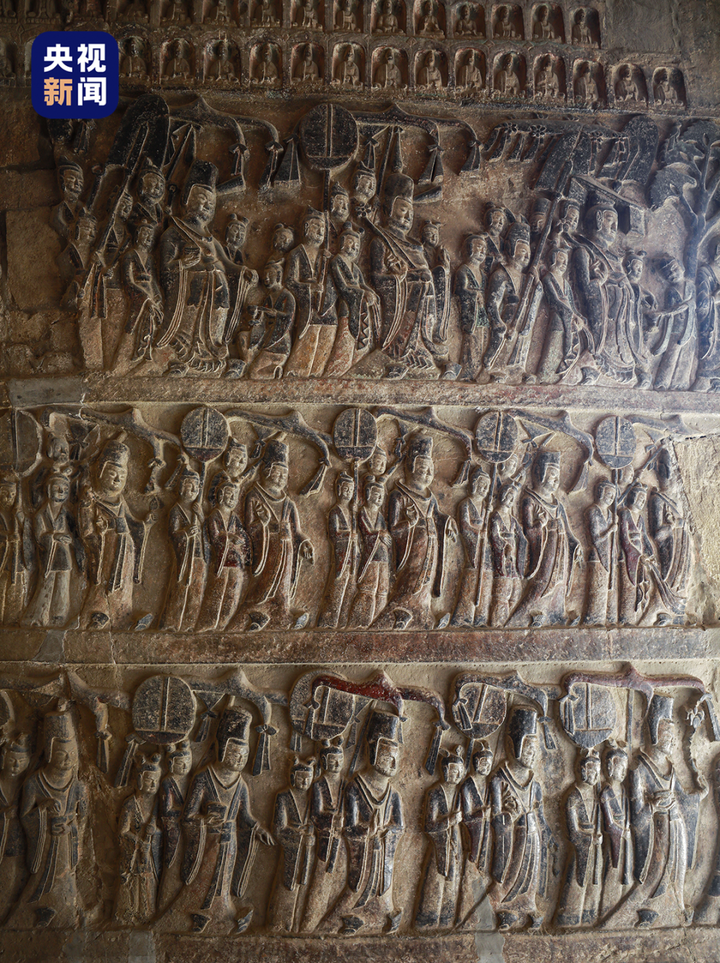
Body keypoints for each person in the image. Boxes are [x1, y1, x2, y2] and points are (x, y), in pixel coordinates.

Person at [162, 707, 274, 934]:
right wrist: (204, 821)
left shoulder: (241, 784)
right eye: (235, 753)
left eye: (244, 755)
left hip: (229, 841)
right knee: (202, 881)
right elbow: (187, 816)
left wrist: (258, 828)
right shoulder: (203, 777)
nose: (240, 759)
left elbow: (245, 817)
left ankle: (218, 916)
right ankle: (192, 914)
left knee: (223, 884)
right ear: (222, 750)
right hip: (206, 843)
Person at [605, 695, 707, 929]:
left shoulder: (670, 767)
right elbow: (636, 815)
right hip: (656, 834)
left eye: (673, 736)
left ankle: (676, 906)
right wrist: (653, 806)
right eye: (668, 735)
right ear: (655, 734)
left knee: (676, 873)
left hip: (676, 827)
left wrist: (700, 795)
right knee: (654, 876)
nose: (672, 741)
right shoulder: (638, 769)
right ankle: (638, 912)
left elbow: (681, 797)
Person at [156, 161, 241, 374]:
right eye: (201, 200)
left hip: (217, 291)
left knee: (215, 326)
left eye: (210, 204)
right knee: (189, 328)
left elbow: (228, 264)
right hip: (191, 291)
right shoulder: (174, 233)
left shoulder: (211, 239)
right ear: (187, 199)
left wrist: (244, 272)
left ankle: (213, 353)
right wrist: (182, 263)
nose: (205, 206)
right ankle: (181, 359)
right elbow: (165, 267)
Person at [326, 710, 404, 935]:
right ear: (373, 754)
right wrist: (366, 830)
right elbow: (349, 827)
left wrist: (388, 832)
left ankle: (380, 917)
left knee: (383, 890)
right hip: (363, 853)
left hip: (383, 853)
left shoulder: (393, 793)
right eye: (387, 757)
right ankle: (341, 918)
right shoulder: (355, 787)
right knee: (356, 889)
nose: (393, 763)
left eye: (396, 758)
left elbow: (400, 826)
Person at [10, 706, 88, 929]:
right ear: (50, 752)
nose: (68, 759)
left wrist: (71, 826)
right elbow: (24, 816)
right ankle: (39, 910)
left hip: (66, 843)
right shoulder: (34, 783)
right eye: (62, 754)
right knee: (39, 882)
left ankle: (67, 911)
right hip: (44, 845)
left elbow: (83, 818)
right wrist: (43, 811)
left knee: (67, 882)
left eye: (72, 753)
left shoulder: (78, 786)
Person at [372, 434, 456, 630]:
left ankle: (422, 615)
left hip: (430, 546)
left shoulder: (430, 497)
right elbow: (393, 528)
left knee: (426, 581)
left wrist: (448, 523)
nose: (428, 474)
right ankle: (397, 614)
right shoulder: (398, 495)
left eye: (430, 470)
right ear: (410, 468)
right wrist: (409, 523)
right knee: (410, 582)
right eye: (423, 469)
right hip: (410, 550)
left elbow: (437, 516)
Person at [78, 437, 153, 630]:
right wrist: (97, 527)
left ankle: (123, 617)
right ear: (100, 472)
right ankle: (99, 614)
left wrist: (145, 525)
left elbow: (131, 521)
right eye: (112, 473)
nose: (118, 479)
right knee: (105, 581)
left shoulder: (120, 501)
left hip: (125, 546)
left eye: (122, 475)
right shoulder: (93, 500)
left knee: (124, 584)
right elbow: (86, 529)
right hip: (106, 546)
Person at [369, 172, 440, 376]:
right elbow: (376, 279)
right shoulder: (380, 241)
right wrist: (400, 277)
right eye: (403, 209)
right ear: (389, 209)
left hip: (423, 306)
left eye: (411, 211)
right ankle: (400, 351)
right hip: (399, 308)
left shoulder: (416, 246)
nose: (408, 216)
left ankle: (421, 346)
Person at [489, 707, 554, 930]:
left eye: (535, 750)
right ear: (514, 747)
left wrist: (547, 833)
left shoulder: (534, 783)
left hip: (533, 836)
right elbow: (495, 816)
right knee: (512, 875)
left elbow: (540, 814)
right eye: (528, 750)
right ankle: (503, 906)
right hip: (511, 838)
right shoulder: (499, 779)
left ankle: (527, 904)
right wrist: (509, 815)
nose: (533, 755)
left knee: (531, 873)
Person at [241, 439, 314, 630]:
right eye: (278, 472)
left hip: (287, 548)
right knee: (264, 585)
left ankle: (281, 615)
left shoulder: (288, 502)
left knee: (283, 585)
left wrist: (304, 542)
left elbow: (297, 531)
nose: (282, 477)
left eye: (285, 473)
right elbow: (249, 527)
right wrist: (262, 523)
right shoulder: (254, 495)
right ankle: (253, 613)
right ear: (267, 470)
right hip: (266, 547)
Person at [507, 449, 582, 627]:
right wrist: (540, 525)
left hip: (561, 548)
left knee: (560, 581)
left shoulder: (557, 504)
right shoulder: (530, 500)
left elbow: (568, 530)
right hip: (545, 547)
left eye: (557, 477)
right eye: (552, 475)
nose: (556, 481)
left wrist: (575, 543)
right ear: (540, 473)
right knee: (544, 581)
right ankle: (525, 615)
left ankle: (556, 614)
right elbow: (528, 530)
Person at [415, 747, 465, 930]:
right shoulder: (435, 792)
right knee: (435, 882)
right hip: (439, 846)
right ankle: (428, 919)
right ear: (444, 770)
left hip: (455, 844)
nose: (455, 775)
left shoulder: (459, 792)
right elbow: (429, 825)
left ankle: (446, 919)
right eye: (452, 770)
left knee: (452, 882)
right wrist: (450, 820)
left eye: (458, 772)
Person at [24, 470, 82, 628]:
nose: (62, 491)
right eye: (58, 488)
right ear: (49, 490)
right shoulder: (41, 514)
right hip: (48, 556)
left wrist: (69, 539)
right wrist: (54, 537)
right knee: (46, 585)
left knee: (62, 586)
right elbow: (38, 537)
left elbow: (75, 534)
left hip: (64, 555)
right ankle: (41, 615)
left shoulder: (67, 514)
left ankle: (59, 616)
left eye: (65, 489)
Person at [284, 208, 336, 378]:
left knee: (327, 337)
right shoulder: (296, 253)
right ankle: (297, 373)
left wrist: (330, 263)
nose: (321, 232)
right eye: (316, 226)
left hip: (326, 304)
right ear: (306, 228)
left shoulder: (325, 257)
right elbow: (289, 281)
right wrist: (309, 288)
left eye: (323, 228)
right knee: (309, 339)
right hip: (308, 304)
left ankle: (317, 373)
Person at [554, 750, 604, 928]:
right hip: (582, 847)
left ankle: (589, 914)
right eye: (592, 771)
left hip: (596, 848)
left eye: (598, 771)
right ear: (582, 771)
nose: (595, 775)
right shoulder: (573, 797)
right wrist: (591, 838)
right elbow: (573, 832)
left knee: (594, 882)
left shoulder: (596, 795)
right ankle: (569, 916)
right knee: (576, 881)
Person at [323, 225, 380, 377]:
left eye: (357, 244)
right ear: (342, 243)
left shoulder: (355, 267)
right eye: (350, 242)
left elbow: (362, 284)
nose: (354, 246)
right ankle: (336, 373)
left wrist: (371, 293)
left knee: (359, 341)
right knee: (345, 340)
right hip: (347, 306)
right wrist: (362, 293)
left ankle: (353, 368)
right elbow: (342, 287)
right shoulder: (337, 261)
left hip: (360, 307)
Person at [301, 740, 346, 933]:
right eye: (332, 760)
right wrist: (331, 819)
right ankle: (309, 924)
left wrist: (344, 821)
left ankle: (330, 922)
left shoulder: (345, 785)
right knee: (319, 883)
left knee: (337, 882)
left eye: (340, 760)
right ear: (324, 761)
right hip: (324, 842)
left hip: (342, 842)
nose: (337, 764)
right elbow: (314, 815)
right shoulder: (318, 785)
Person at [196, 478, 251, 632]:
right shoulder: (215, 515)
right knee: (217, 592)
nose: (232, 498)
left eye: (235, 495)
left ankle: (224, 625)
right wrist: (228, 537)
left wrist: (241, 540)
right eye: (229, 494)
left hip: (235, 560)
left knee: (232, 593)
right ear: (220, 496)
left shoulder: (234, 517)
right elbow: (214, 537)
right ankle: (209, 624)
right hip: (221, 560)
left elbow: (242, 534)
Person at [268, 758, 316, 932]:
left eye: (308, 778)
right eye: (300, 778)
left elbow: (316, 822)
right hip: (291, 849)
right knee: (285, 885)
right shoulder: (284, 796)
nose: (304, 782)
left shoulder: (313, 797)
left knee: (304, 886)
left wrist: (311, 833)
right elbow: (278, 829)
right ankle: (278, 923)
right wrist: (297, 834)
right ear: (292, 777)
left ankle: (297, 924)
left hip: (307, 850)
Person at [114, 754, 163, 926]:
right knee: (133, 883)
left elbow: (166, 828)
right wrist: (138, 841)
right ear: (140, 780)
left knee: (149, 883)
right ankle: (128, 912)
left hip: (150, 854)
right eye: (149, 780)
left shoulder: (158, 803)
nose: (153, 784)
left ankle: (146, 912)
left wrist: (155, 832)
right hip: (134, 854)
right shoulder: (130, 804)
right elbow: (122, 831)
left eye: (156, 780)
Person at [159, 467, 206, 632]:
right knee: (180, 588)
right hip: (184, 556)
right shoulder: (176, 510)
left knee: (196, 590)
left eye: (196, 487)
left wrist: (201, 516)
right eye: (189, 485)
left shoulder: (196, 510)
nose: (193, 490)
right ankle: (172, 623)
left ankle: (189, 623)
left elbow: (206, 533)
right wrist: (185, 533)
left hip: (198, 556)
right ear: (180, 487)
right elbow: (172, 534)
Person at [456, 743, 495, 931]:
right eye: (483, 762)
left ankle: (482, 915)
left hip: (486, 836)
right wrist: (481, 814)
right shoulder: (467, 785)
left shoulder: (488, 785)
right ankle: (465, 915)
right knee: (471, 875)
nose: (486, 767)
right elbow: (465, 816)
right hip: (472, 837)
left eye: (489, 763)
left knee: (484, 876)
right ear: (475, 762)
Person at [346, 476, 391, 628]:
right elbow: (366, 533)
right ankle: (361, 620)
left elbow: (386, 535)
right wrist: (380, 535)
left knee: (383, 589)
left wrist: (384, 536)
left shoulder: (380, 516)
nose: (379, 498)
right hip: (371, 555)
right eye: (376, 494)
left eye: (381, 495)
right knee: (368, 588)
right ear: (368, 495)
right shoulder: (363, 513)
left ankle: (378, 620)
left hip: (383, 556)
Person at [450, 467, 492, 628]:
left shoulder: (486, 506)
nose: (484, 489)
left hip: (485, 546)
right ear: (474, 484)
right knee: (472, 576)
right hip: (473, 545)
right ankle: (464, 616)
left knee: (486, 577)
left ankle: (481, 616)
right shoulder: (465, 504)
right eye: (482, 484)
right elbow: (464, 527)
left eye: (487, 486)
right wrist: (478, 532)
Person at [317, 473, 356, 629]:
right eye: (346, 489)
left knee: (350, 590)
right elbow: (333, 534)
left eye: (351, 490)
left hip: (352, 557)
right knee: (336, 590)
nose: (348, 492)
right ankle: (329, 621)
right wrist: (349, 535)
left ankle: (343, 621)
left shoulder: (352, 512)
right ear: (338, 489)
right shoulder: (335, 511)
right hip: (341, 556)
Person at [157, 741, 193, 914]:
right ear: (171, 764)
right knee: (171, 863)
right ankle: (165, 903)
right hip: (173, 828)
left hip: (188, 828)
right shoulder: (168, 782)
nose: (185, 767)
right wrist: (186, 812)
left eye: (187, 762)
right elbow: (166, 810)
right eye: (180, 764)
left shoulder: (191, 780)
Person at [246, 259, 296, 380]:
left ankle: (274, 371)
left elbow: (289, 317)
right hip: (267, 339)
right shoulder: (269, 298)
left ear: (278, 276)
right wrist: (255, 316)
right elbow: (262, 319)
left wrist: (276, 314)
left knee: (253, 373)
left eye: (270, 274)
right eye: (265, 275)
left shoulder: (287, 296)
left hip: (279, 342)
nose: (266, 278)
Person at [599, 742, 633, 922]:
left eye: (625, 768)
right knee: (612, 872)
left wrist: (627, 828)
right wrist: (622, 831)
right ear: (610, 767)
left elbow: (627, 814)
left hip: (625, 839)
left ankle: (621, 912)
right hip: (613, 840)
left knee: (624, 874)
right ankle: (606, 909)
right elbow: (609, 823)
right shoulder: (606, 792)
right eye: (621, 767)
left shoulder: (624, 791)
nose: (624, 772)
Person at [0, 733, 32, 923]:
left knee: (11, 880)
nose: (16, 766)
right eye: (12, 760)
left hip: (17, 842)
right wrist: (4, 814)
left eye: (21, 761)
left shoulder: (27, 786)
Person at [653, 256, 697, 391]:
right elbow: (670, 310)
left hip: (691, 326)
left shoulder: (691, 286)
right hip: (676, 328)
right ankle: (663, 382)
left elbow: (695, 303)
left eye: (674, 269)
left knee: (687, 354)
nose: (672, 274)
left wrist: (688, 305)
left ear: (682, 268)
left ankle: (681, 383)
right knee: (672, 353)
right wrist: (667, 313)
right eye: (667, 274)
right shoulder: (671, 291)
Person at [488, 479, 527, 627]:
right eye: (509, 497)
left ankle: (509, 622)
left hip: (513, 559)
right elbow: (494, 536)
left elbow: (522, 538)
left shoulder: (512, 520)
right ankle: (497, 622)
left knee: (516, 591)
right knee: (502, 590)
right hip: (502, 558)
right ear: (502, 496)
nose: (511, 501)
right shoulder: (495, 516)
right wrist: (505, 547)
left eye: (513, 498)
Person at [455, 234, 490, 381]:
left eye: (484, 249)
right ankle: (468, 371)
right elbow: (459, 290)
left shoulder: (482, 274)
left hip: (481, 312)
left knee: (482, 340)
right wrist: (474, 294)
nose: (482, 251)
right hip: (470, 312)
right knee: (471, 341)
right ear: (469, 249)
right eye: (478, 247)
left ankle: (478, 371)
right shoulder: (463, 270)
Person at [583, 479, 617, 626]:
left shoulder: (610, 514)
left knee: (606, 588)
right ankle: (593, 618)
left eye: (613, 496)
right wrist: (610, 530)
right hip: (597, 554)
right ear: (601, 493)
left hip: (608, 554)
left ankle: (604, 617)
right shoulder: (593, 511)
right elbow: (595, 539)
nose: (611, 498)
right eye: (609, 494)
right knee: (597, 586)